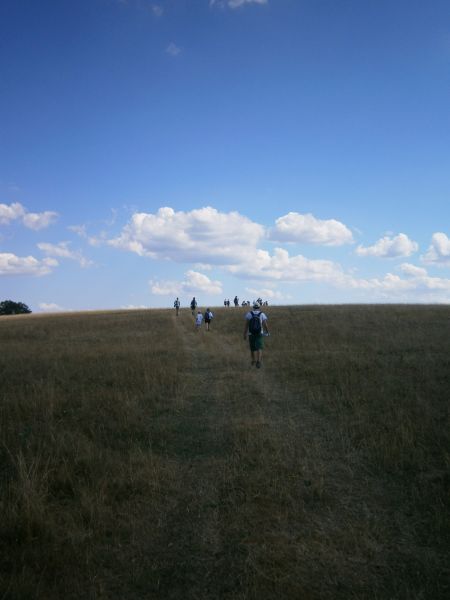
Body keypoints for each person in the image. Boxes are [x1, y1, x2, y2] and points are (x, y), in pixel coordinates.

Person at [243, 302, 269, 368]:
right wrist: (267, 332)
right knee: (259, 348)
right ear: (259, 307)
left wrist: (244, 334)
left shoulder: (249, 314)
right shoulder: (262, 314)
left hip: (251, 334)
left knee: (252, 348)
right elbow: (265, 324)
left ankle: (253, 360)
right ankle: (258, 362)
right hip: (259, 333)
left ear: (253, 307)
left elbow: (246, 325)